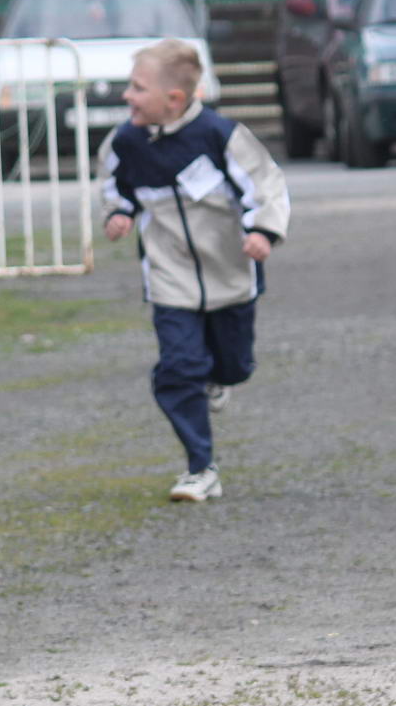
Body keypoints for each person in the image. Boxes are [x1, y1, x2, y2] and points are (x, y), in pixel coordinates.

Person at [100, 39, 289, 504]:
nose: (127, 96)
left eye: (137, 88)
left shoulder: (220, 136)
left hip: (230, 274)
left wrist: (263, 232)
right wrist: (118, 213)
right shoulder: (125, 143)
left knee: (234, 365)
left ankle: (218, 379)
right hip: (170, 278)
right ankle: (200, 467)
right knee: (179, 369)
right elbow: (114, 186)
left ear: (174, 99)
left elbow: (267, 185)